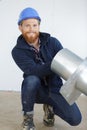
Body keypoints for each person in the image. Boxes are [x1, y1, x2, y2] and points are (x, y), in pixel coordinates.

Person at [11, 7, 82, 130]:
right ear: (20, 27)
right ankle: (28, 119)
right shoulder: (17, 51)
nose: (31, 29)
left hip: (56, 89)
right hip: (36, 91)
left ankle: (49, 108)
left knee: (75, 119)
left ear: (39, 26)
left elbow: (66, 63)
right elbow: (33, 71)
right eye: (27, 26)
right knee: (31, 79)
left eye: (34, 25)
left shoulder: (53, 42)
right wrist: (56, 62)